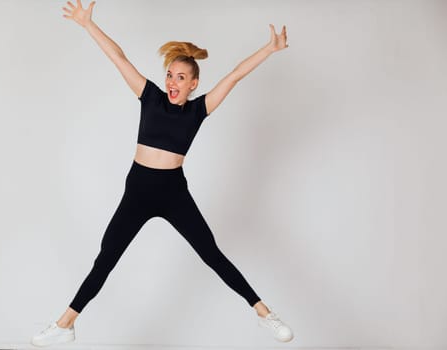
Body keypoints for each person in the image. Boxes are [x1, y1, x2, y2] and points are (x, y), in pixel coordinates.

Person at [31, 0, 292, 346]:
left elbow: (235, 74)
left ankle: (264, 314)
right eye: (169, 74)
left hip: (172, 192)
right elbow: (120, 58)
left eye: (180, 77)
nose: (172, 82)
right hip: (138, 190)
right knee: (106, 257)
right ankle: (65, 324)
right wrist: (87, 25)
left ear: (194, 84)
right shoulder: (150, 97)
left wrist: (270, 49)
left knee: (211, 253)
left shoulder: (199, 110)